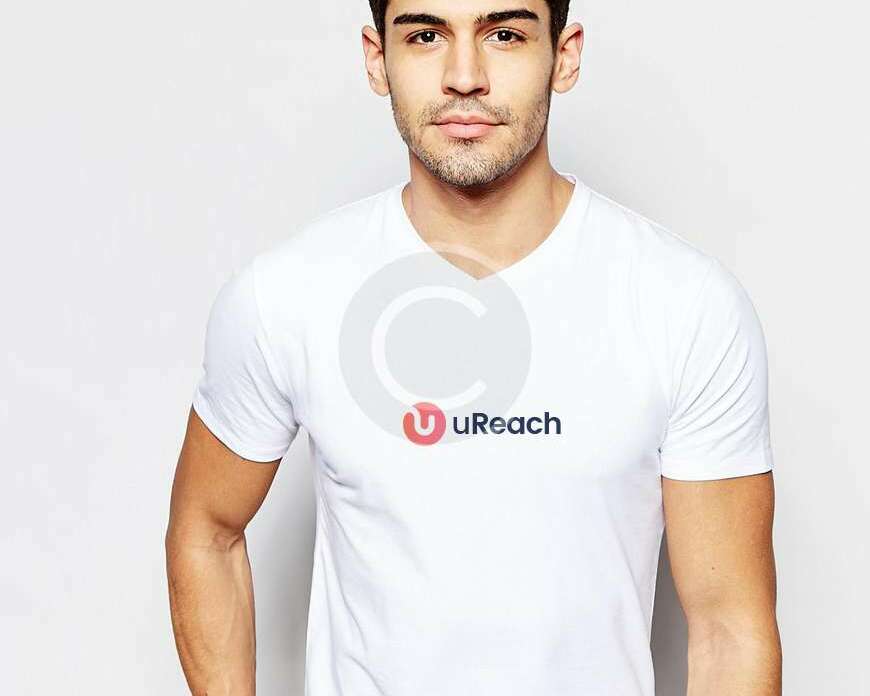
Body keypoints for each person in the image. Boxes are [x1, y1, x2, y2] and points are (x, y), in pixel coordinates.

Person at [165, 1, 782, 694]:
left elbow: (730, 627)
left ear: (565, 56)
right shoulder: (287, 294)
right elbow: (205, 527)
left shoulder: (686, 304)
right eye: (426, 35)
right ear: (377, 60)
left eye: (505, 35)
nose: (464, 75)